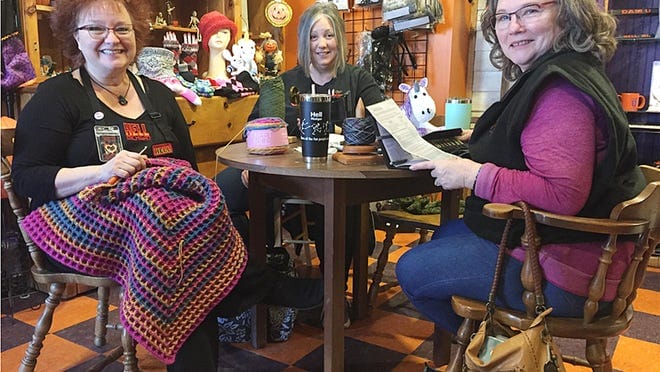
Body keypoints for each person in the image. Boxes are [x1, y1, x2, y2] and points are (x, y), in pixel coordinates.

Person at [10, 0, 322, 371]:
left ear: (136, 35)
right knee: (164, 223)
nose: (112, 38)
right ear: (73, 37)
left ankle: (244, 293)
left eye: (122, 29)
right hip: (77, 222)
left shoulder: (157, 94)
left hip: (157, 230)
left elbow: (186, 169)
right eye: (96, 29)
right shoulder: (56, 96)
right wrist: (100, 172)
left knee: (191, 225)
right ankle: (263, 286)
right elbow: (28, 178)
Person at [395, 0, 645, 351]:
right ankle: (497, 344)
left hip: (566, 274)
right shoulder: (571, 70)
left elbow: (561, 194)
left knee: (410, 270)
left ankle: (501, 352)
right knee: (448, 233)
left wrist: (472, 173)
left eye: (530, 10)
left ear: (568, 13)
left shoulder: (560, 91)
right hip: (579, 254)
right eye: (503, 17)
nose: (513, 27)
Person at [215, 1, 385, 326]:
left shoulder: (357, 79)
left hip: (336, 178)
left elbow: (383, 123)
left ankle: (333, 295)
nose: (322, 44)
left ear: (340, 40)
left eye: (329, 35)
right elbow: (256, 127)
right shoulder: (284, 82)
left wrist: (352, 130)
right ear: (304, 41)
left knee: (339, 208)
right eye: (313, 37)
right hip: (282, 176)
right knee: (220, 196)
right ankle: (260, 278)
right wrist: (255, 159)